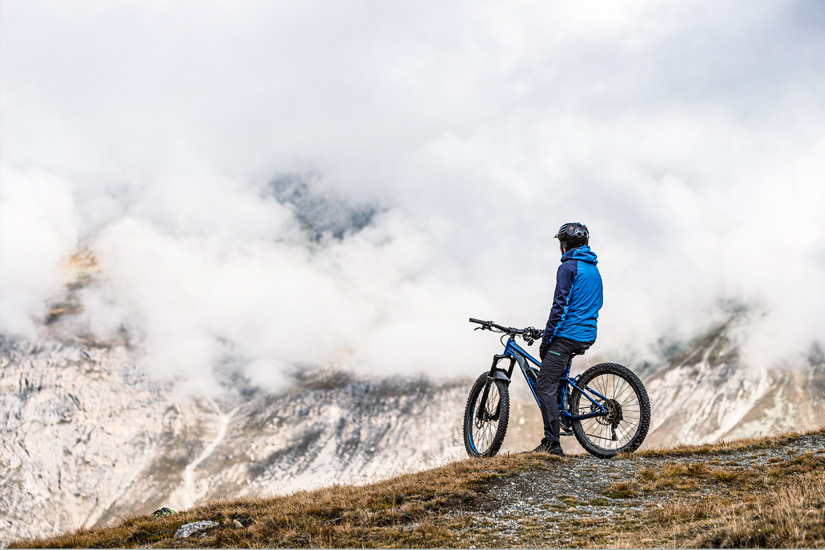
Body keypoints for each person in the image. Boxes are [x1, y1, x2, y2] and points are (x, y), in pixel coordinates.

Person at [533, 222, 603, 456]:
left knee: (544, 385)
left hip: (567, 335)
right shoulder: (592, 268)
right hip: (586, 333)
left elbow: (559, 307)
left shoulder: (568, 268)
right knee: (558, 380)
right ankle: (563, 413)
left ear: (564, 245)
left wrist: (546, 340)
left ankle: (552, 444)